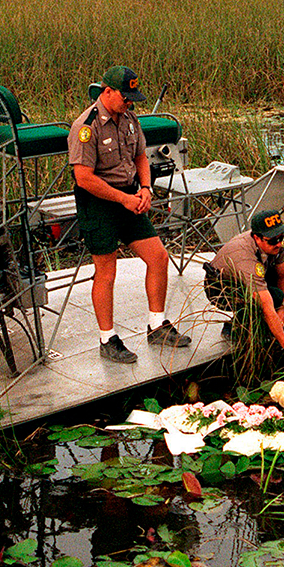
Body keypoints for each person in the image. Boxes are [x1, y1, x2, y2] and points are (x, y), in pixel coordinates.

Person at [68, 65, 191, 364]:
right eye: (126, 96)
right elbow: (83, 177)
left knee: (158, 257)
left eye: (133, 97)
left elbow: (140, 156)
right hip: (99, 202)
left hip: (129, 197)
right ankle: (107, 339)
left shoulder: (131, 119)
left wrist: (146, 188)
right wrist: (123, 198)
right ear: (107, 92)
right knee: (107, 271)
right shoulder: (87, 126)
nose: (130, 102)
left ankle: (157, 325)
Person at [204, 209, 284, 372]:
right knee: (274, 296)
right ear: (257, 238)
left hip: (252, 278)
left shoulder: (278, 242)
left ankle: (268, 326)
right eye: (273, 240)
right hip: (221, 288)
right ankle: (237, 327)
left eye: (281, 237)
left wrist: (282, 310)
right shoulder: (243, 253)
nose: (279, 243)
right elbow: (266, 305)